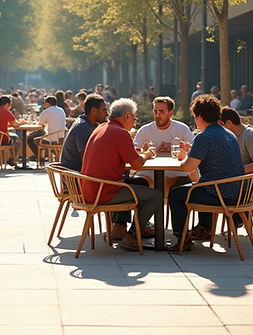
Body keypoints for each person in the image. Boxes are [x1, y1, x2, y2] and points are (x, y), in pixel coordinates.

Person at [81, 98, 163, 252]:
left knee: (141, 183)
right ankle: (132, 235)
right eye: (134, 118)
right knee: (157, 195)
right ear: (127, 116)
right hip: (104, 191)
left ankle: (132, 226)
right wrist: (147, 154)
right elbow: (137, 165)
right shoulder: (120, 133)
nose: (134, 122)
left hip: (90, 187)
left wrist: (135, 153)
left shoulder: (102, 128)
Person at [167, 94, 245, 252]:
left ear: (200, 117)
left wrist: (183, 157)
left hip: (220, 194)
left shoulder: (204, 137)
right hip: (239, 192)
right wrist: (192, 152)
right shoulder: (229, 134)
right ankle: (204, 228)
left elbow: (187, 168)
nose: (195, 120)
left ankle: (182, 239)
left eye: (195, 117)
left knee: (176, 194)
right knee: (201, 185)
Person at [133, 96, 195, 190]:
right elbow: (134, 151)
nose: (157, 115)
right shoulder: (145, 130)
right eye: (155, 111)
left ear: (171, 113)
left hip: (177, 171)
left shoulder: (182, 128)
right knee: (139, 182)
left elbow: (194, 150)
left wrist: (178, 148)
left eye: (161, 112)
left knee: (183, 184)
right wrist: (144, 151)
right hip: (148, 171)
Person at [60, 94, 107, 171]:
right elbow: (87, 159)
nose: (106, 114)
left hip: (73, 172)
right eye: (104, 110)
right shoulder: (83, 127)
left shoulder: (86, 122)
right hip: (75, 174)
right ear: (94, 110)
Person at [28, 95, 67, 165]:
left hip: (51, 139)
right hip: (62, 137)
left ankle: (40, 159)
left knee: (31, 140)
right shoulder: (61, 110)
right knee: (43, 137)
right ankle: (53, 155)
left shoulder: (46, 111)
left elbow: (40, 122)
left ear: (47, 103)